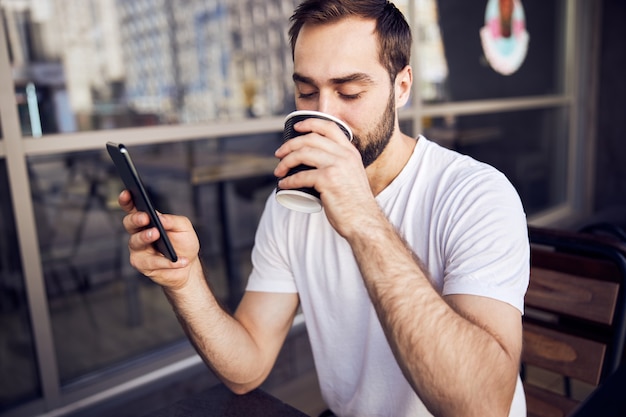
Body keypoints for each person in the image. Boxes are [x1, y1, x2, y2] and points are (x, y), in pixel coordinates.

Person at [119, 1, 529, 416]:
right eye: (307, 91)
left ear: (401, 87)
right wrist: (185, 282)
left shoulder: (476, 195)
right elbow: (248, 367)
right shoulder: (293, 203)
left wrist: (362, 218)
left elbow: (483, 407)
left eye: (349, 91)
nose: (323, 114)